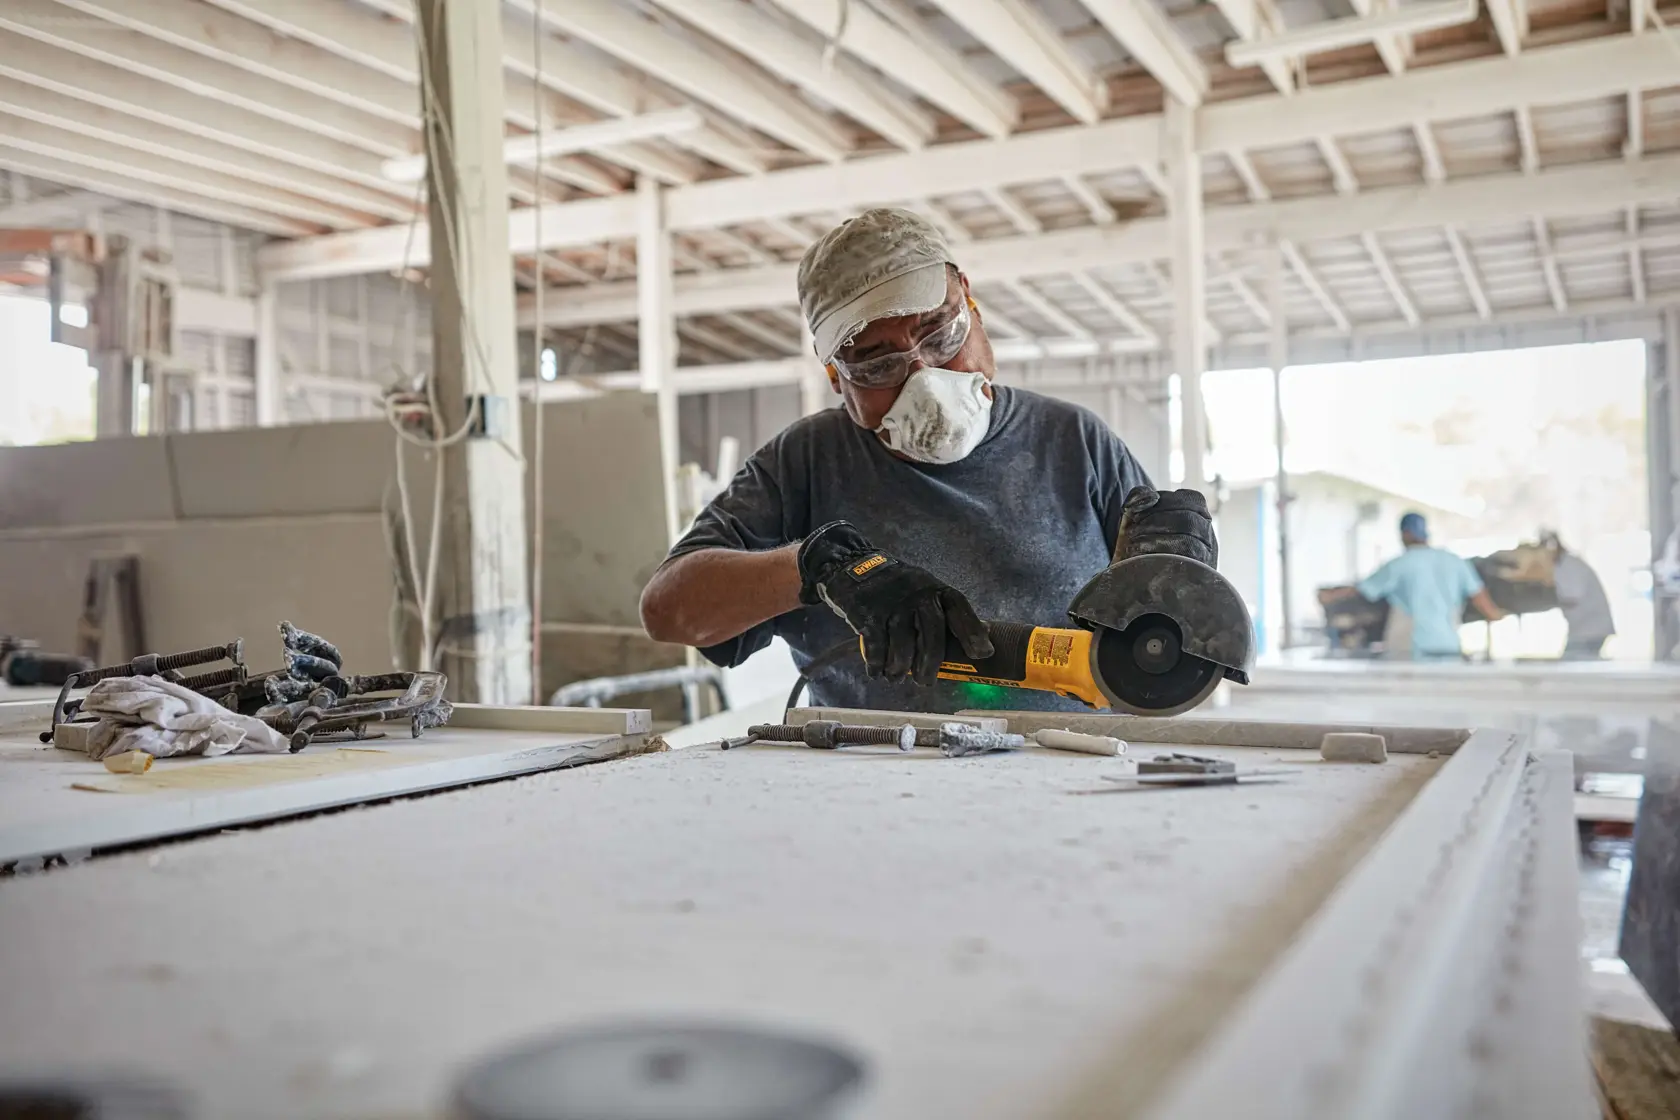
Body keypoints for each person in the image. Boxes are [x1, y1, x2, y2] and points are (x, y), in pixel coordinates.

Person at [638, 207, 1200, 713]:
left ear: (970, 302)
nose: (925, 380)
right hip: (871, 790)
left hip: (1066, 780)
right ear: (834, 374)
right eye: (877, 364)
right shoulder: (804, 463)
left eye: (940, 333)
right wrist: (817, 568)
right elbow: (668, 609)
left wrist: (1178, 584)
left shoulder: (1076, 443)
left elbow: (1170, 647)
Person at [1330, 512, 1506, 661]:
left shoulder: (1399, 565)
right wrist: (1496, 614)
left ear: (1405, 534)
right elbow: (1481, 599)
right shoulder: (1455, 562)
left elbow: (1364, 590)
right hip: (1447, 648)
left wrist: (1330, 595)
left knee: (1409, 700)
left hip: (1409, 649)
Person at [1540, 531, 1615, 659]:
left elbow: (1573, 595)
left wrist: (1546, 598)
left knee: (1570, 667)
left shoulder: (1569, 566)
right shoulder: (1563, 565)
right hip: (1585, 628)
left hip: (1590, 629)